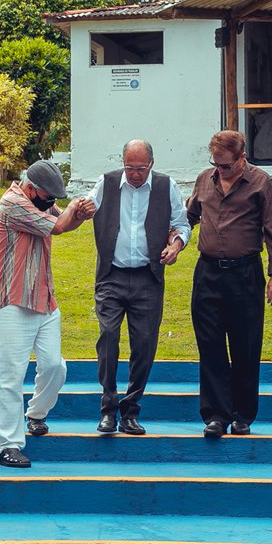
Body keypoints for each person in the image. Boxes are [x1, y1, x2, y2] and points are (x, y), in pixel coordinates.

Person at [0, 159, 94, 468]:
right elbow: (60, 225)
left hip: (44, 299)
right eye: (49, 197)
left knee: (55, 367)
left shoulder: (39, 201)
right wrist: (75, 207)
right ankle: (7, 445)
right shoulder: (13, 203)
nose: (52, 203)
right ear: (31, 188)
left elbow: (66, 223)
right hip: (13, 301)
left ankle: (35, 414)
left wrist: (81, 214)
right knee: (10, 378)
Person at [85, 139, 190, 435]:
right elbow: (85, 210)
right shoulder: (105, 184)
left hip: (148, 277)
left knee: (144, 346)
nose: (134, 174)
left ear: (151, 165)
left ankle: (130, 412)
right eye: (129, 168)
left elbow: (182, 224)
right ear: (123, 163)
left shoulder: (165, 186)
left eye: (140, 168)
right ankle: (108, 409)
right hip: (111, 275)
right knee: (107, 338)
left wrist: (176, 246)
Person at [185, 130, 272, 439]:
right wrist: (172, 241)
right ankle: (216, 415)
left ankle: (243, 415)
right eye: (215, 163)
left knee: (245, 346)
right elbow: (187, 217)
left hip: (245, 275)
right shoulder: (204, 179)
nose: (220, 169)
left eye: (226, 164)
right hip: (208, 272)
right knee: (210, 346)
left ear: (241, 158)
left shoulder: (261, 182)